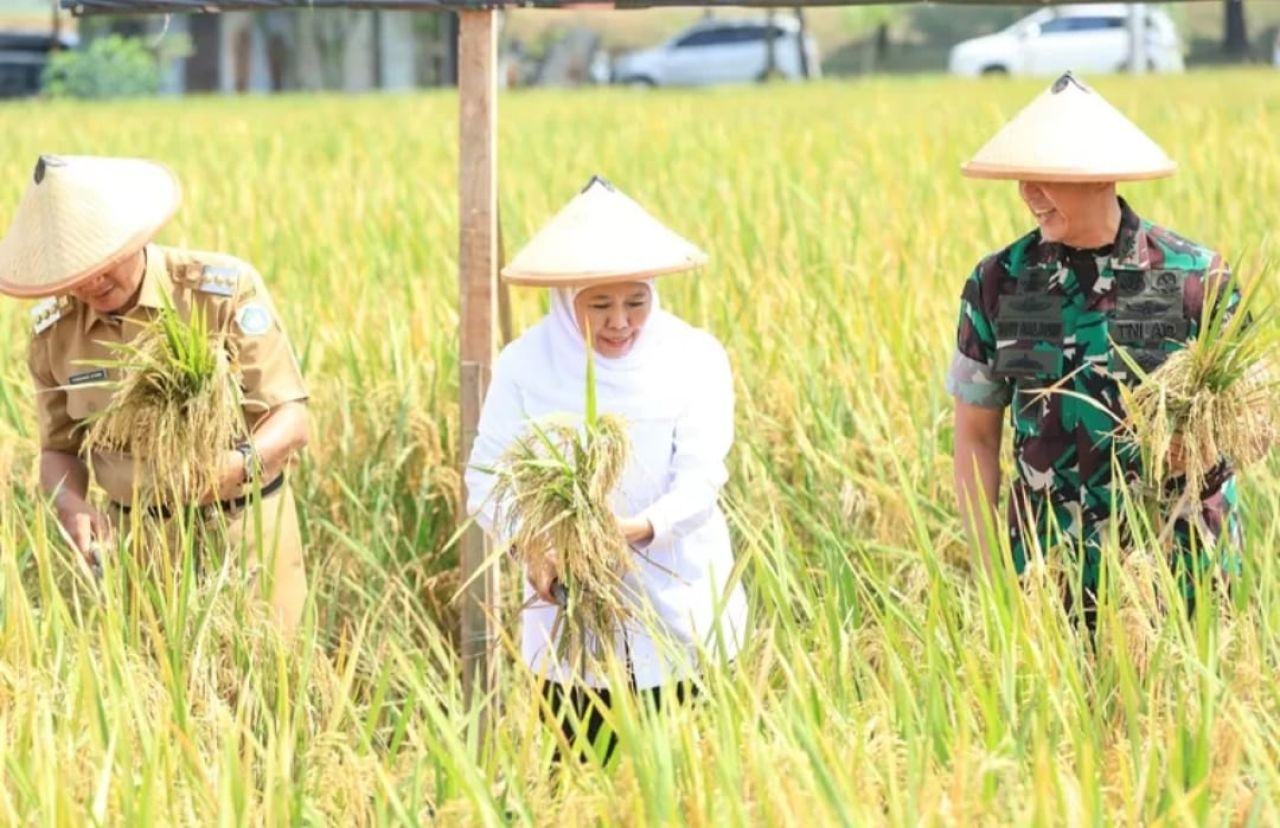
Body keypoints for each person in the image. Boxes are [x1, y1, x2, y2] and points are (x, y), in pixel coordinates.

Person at [465, 176, 747, 760]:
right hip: (570, 617)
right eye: (600, 304)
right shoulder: (525, 365)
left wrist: (636, 530)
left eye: (635, 302)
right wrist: (532, 547)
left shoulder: (693, 357)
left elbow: (702, 477)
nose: (620, 321)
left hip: (678, 604)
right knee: (582, 773)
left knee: (686, 775)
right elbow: (486, 479)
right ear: (569, 301)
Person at [947, 73, 1240, 622]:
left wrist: (1198, 444)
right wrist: (992, 575)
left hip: (1181, 573)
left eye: (1045, 178)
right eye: (1021, 178)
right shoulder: (997, 283)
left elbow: (1256, 421)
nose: (1028, 194)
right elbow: (975, 436)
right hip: (1049, 577)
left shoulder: (1196, 277)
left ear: (1100, 174)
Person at [0, 155, 309, 631]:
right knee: (159, 691)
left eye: (103, 260)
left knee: (267, 687)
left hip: (243, 531)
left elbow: (292, 416)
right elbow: (59, 450)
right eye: (75, 270)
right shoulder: (53, 333)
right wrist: (73, 506)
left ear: (135, 236)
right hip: (137, 545)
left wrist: (234, 467)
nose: (92, 280)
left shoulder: (218, 292)